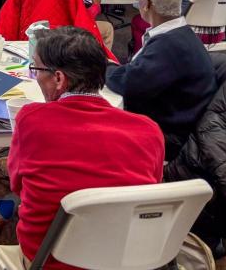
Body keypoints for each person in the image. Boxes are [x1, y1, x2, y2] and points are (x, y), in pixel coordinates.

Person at [10, 27, 164, 269]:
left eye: (36, 69)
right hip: (126, 255)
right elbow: (148, 191)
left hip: (52, 257)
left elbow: (18, 186)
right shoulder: (149, 130)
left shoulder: (31, 119)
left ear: (59, 78)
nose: (36, 77)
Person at [106, 0, 216, 158]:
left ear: (147, 3)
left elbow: (128, 84)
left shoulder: (169, 45)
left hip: (167, 135)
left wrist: (102, 67)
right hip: (177, 119)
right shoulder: (179, 35)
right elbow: (138, 73)